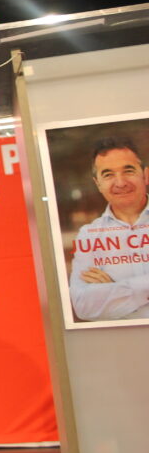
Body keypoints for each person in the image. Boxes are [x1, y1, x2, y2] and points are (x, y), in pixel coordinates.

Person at [69, 135, 149, 321]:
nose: (120, 183)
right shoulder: (89, 235)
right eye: (108, 175)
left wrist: (114, 289)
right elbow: (83, 306)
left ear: (145, 175)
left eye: (128, 171)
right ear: (98, 184)